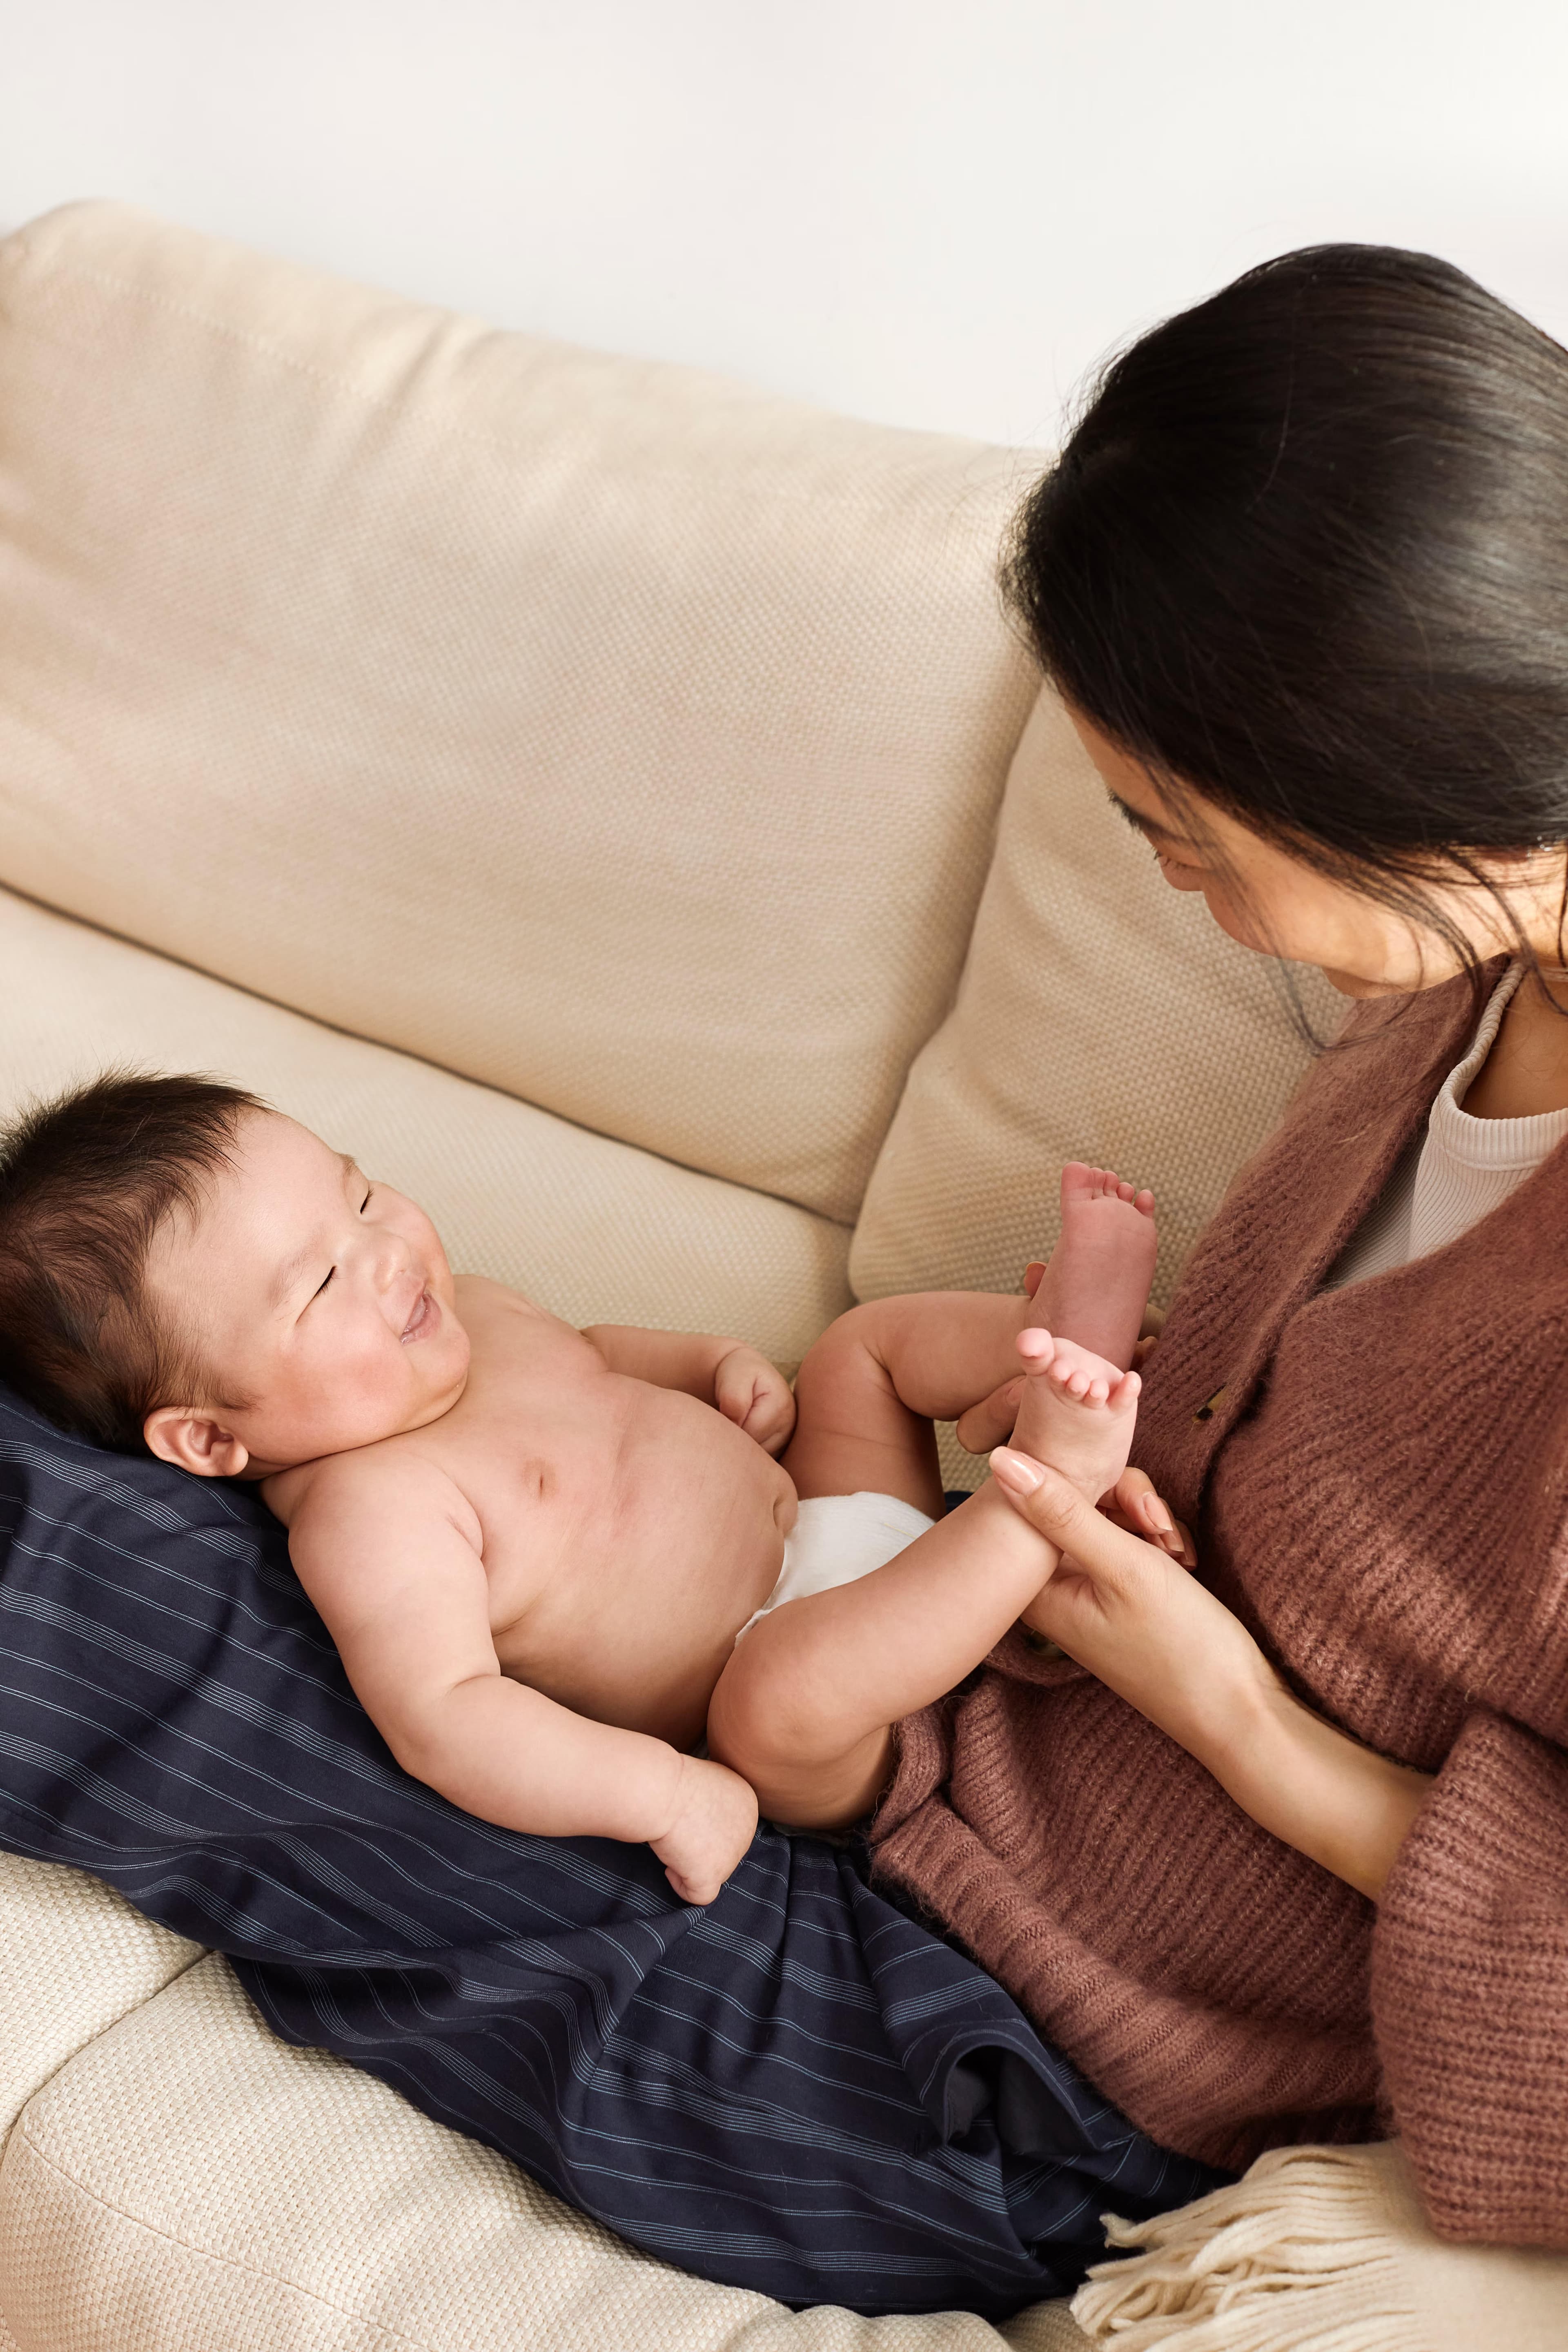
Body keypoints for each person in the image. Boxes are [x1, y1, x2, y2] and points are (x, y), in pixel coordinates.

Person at [4, 238, 1565, 2314]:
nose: (1174, 887)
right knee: (180, 1495)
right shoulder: (1443, 1003)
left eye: (1179, 823)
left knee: (66, 1566)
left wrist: (1226, 1709)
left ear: (1387, 765)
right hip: (915, 1758)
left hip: (1002, 2044)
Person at [0, 1073, 1162, 1898]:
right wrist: (659, 1792)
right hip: (806, 1692)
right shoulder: (373, 1512)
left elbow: (600, 1356)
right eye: (317, 1288)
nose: (390, 1253)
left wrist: (714, 1367)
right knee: (776, 1693)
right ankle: (1050, 1483)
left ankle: (1061, 1342)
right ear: (206, 1440)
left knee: (859, 1351)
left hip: (829, 1521)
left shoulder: (471, 1314)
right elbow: (450, 1716)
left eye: (360, 1195)